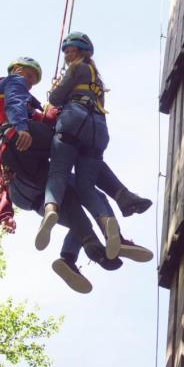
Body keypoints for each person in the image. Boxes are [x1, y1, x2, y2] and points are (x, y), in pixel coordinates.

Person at [0, 57, 152, 292]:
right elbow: (20, 105)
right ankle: (122, 202)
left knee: (72, 200)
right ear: (17, 70)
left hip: (21, 186)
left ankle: (79, 255)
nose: (29, 83)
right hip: (21, 143)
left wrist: (3, 210)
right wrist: (25, 124)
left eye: (32, 80)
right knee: (77, 144)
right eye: (28, 76)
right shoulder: (13, 83)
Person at [41, 32, 124, 260]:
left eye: (71, 50)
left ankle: (51, 209)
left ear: (80, 51)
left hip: (73, 118)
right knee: (86, 185)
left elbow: (57, 99)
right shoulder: (97, 78)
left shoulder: (76, 69)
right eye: (66, 51)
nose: (68, 54)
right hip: (97, 129)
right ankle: (106, 221)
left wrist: (54, 90)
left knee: (59, 170)